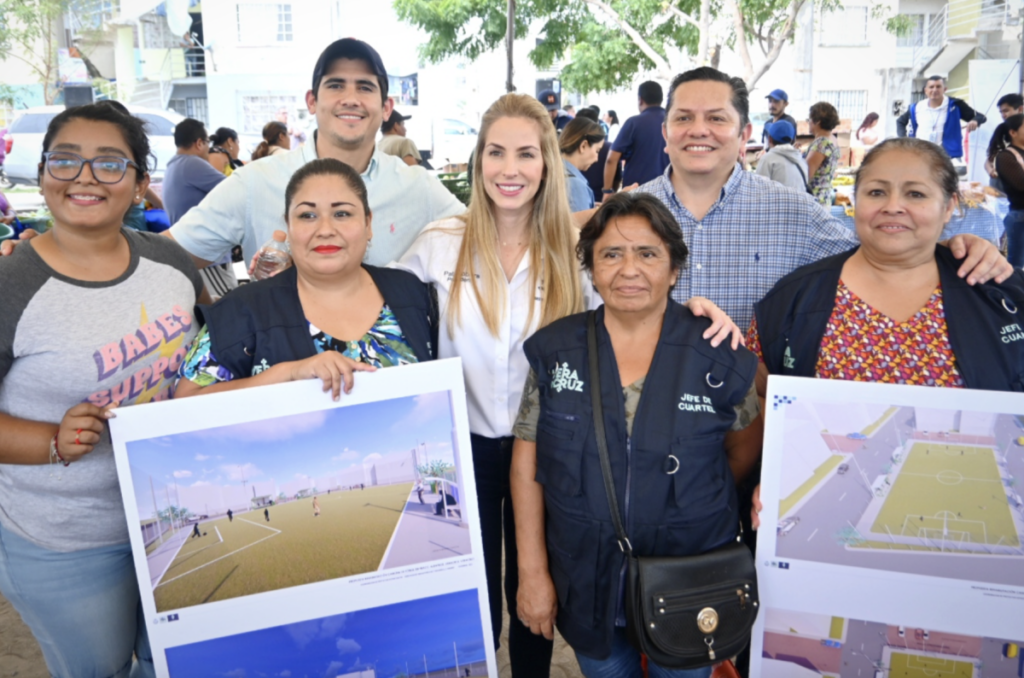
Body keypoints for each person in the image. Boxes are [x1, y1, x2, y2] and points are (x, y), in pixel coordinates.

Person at [394, 93, 737, 678]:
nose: (510, 169)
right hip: (459, 449)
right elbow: (384, 318)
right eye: (496, 153)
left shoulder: (574, 253)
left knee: (536, 585)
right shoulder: (437, 244)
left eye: (527, 154)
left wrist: (694, 310)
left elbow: (634, 305)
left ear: (548, 165)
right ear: (477, 162)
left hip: (550, 448)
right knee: (466, 592)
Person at [511, 193, 762, 678]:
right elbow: (528, 466)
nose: (629, 269)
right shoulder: (555, 352)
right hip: (584, 580)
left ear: (674, 269)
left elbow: (740, 454)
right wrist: (532, 572)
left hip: (689, 582)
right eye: (611, 253)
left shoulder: (718, 355)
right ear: (591, 268)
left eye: (647, 253)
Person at [0, 103, 206, 678]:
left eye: (109, 163)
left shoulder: (169, 260)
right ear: (42, 174)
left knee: (166, 664)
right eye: (65, 160)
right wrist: (52, 440)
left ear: (142, 183)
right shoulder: (11, 285)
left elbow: (216, 351)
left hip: (174, 518)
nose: (85, 177)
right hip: (68, 541)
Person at [632, 65, 1010, 352]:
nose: (699, 130)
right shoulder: (626, 215)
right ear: (665, 132)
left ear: (745, 134)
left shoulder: (795, 212)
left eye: (717, 118)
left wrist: (957, 251)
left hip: (757, 413)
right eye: (683, 118)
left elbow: (880, 259)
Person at [747, 137, 1024, 522]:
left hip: (978, 532)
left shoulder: (999, 297)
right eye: (876, 191)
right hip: (832, 532)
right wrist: (776, 477)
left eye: (915, 193)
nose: (893, 206)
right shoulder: (793, 299)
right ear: (856, 201)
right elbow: (763, 397)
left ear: (950, 207)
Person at [164, 38, 465, 270]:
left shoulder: (417, 187)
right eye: (335, 85)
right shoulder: (255, 183)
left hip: (392, 349)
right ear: (312, 101)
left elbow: (486, 241)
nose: (350, 99)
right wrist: (212, 310)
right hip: (286, 351)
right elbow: (164, 257)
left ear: (386, 108)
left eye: (364, 87)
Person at [174, 158, 436, 405]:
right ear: (288, 226)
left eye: (342, 214)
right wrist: (287, 374)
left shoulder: (414, 294)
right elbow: (185, 402)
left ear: (368, 223)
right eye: (307, 216)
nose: (325, 229)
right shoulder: (245, 310)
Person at [163, 118, 236, 299]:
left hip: (193, 252)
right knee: (230, 302)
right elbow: (235, 190)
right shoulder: (192, 163)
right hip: (207, 253)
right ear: (199, 143)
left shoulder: (173, 165)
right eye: (207, 143)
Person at [896, 75, 986, 159]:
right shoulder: (916, 107)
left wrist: (975, 121)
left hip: (944, 156)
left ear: (945, 89)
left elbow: (980, 117)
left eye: (938, 86)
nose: (935, 90)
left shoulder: (955, 105)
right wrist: (904, 140)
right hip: (919, 155)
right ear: (926, 90)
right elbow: (900, 121)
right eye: (931, 87)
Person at [603, 81, 668, 195]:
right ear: (661, 99)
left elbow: (611, 159)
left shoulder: (633, 123)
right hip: (668, 191)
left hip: (636, 194)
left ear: (640, 100)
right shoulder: (673, 122)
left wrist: (607, 191)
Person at [988, 114, 1024, 267]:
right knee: (1016, 263)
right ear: (1013, 133)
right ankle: (1014, 290)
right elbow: (1021, 184)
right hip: (1019, 215)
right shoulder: (1006, 156)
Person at [560, 117, 606, 212]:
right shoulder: (575, 185)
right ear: (583, 146)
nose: (597, 159)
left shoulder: (556, 170)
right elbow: (579, 225)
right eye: (597, 151)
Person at [755, 119, 809, 193]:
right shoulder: (801, 160)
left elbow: (758, 190)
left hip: (777, 204)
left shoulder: (768, 159)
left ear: (770, 139)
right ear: (792, 140)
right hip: (801, 203)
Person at [805, 102, 841, 206]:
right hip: (824, 198)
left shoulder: (821, 144)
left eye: (809, 119)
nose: (808, 122)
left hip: (815, 200)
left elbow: (806, 175)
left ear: (817, 121)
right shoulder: (833, 139)